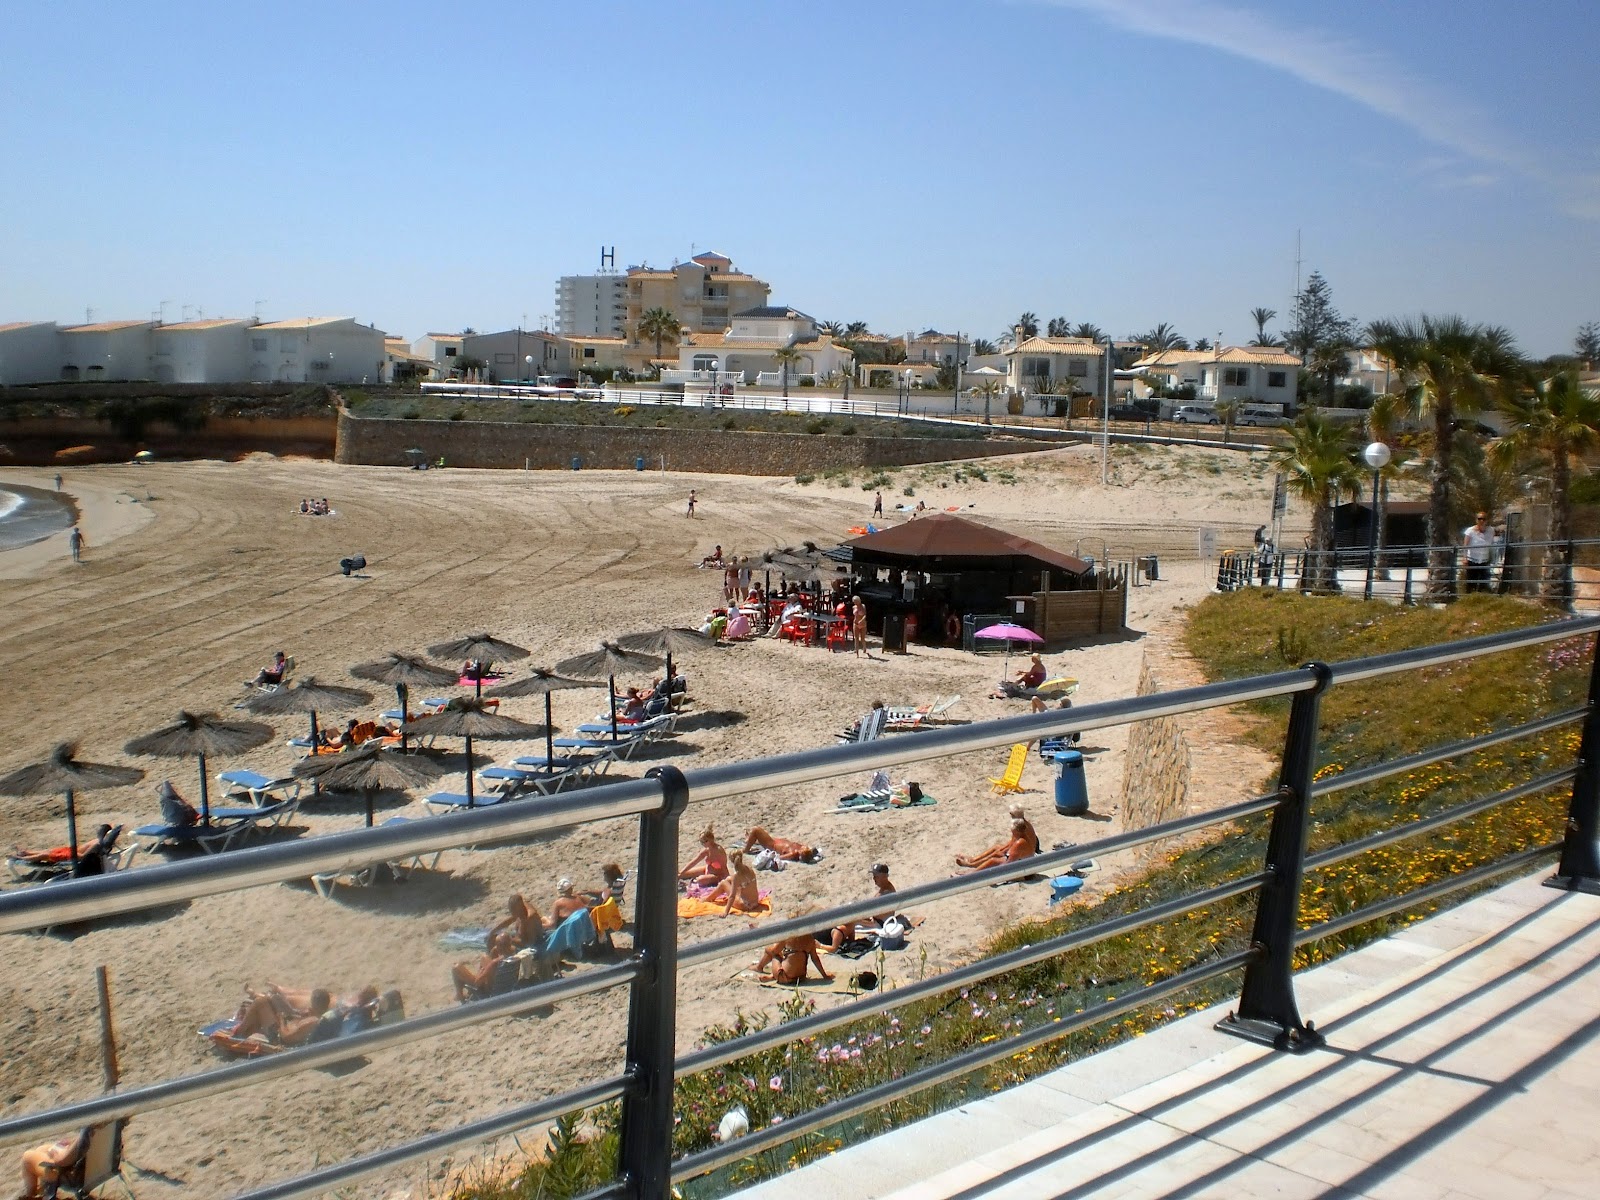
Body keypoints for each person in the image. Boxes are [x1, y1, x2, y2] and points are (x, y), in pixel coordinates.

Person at [823, 862, 899, 952]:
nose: (874, 879)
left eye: (876, 876)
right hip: (875, 918)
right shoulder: (885, 888)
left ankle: (836, 936)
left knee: (850, 918)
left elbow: (876, 913)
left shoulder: (887, 893)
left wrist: (861, 916)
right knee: (850, 911)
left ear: (884, 876)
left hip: (879, 923)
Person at [18, 1127, 89, 1199]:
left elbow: (61, 1161)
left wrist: (55, 1155)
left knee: (27, 1158)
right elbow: (83, 1141)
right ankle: (39, 1193)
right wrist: (71, 1144)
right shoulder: (96, 1122)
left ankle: (30, 1195)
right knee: (42, 1149)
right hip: (89, 1167)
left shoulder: (89, 1127)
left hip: (72, 1174)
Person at [753, 928, 831, 984]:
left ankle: (759, 967)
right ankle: (771, 976)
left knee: (773, 953)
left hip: (784, 976)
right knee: (788, 958)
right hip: (800, 978)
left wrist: (769, 948)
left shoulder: (788, 937)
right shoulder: (810, 939)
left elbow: (773, 951)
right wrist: (824, 975)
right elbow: (815, 959)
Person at [956, 818, 1036, 870]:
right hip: (1023, 862)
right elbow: (1009, 846)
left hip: (1024, 870)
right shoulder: (1021, 835)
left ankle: (972, 873)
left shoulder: (1020, 842)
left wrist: (996, 862)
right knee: (996, 848)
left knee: (993, 860)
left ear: (1017, 831)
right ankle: (973, 862)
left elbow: (1008, 862)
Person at [708, 850, 762, 915]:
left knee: (723, 883)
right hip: (755, 902)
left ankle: (708, 899)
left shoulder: (736, 876)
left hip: (746, 905)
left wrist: (726, 912)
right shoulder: (748, 869)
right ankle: (710, 897)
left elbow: (732, 896)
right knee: (728, 879)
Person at [743, 827, 822, 864]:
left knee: (756, 830)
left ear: (801, 852)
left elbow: (779, 857)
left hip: (772, 845)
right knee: (758, 836)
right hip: (777, 841)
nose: (806, 846)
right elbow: (814, 851)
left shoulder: (793, 853)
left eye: (805, 848)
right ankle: (750, 840)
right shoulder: (802, 849)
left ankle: (746, 850)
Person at [1462, 511, 1495, 593]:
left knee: (1484, 583)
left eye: (1484, 519)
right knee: (1471, 582)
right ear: (1476, 520)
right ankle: (1469, 599)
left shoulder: (1491, 530)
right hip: (1473, 560)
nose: (1482, 521)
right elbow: (1465, 545)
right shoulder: (1470, 531)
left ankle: (1481, 600)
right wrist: (1464, 558)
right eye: (1479, 519)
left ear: (1487, 520)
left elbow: (1491, 544)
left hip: (1484, 560)